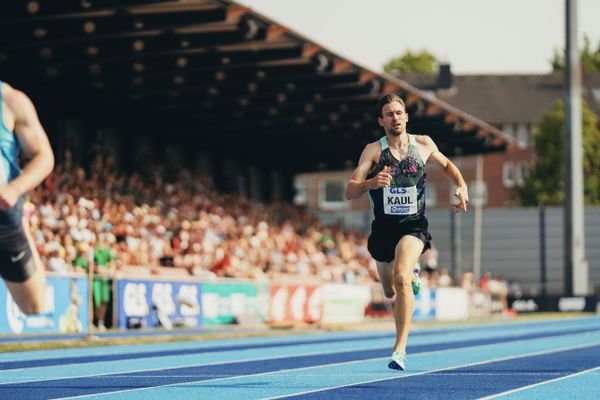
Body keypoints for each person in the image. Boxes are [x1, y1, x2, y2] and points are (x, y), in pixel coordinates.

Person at [345, 93, 468, 370]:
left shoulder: (423, 144)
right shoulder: (373, 151)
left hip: (413, 225)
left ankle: (399, 349)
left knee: (401, 278)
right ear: (381, 121)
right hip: (383, 229)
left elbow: (448, 166)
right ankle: (411, 273)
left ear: (407, 116)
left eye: (399, 112)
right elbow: (349, 190)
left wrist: (461, 186)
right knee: (389, 291)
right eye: (389, 114)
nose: (395, 117)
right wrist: (371, 182)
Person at [0, 81, 54, 314]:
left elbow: (44, 156)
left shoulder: (11, 100)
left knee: (33, 305)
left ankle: (24, 227)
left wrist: (14, 190)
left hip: (3, 211)